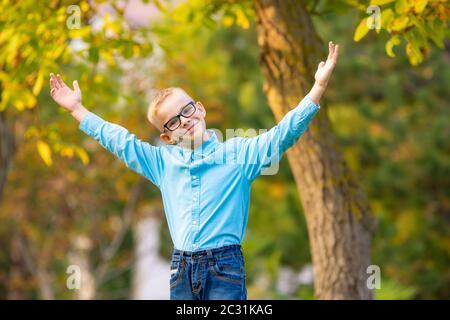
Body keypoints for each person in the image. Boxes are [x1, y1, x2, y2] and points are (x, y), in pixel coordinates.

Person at [49, 41, 340, 300]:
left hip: (225, 268)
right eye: (172, 121)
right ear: (166, 137)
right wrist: (77, 110)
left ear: (199, 108)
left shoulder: (238, 155)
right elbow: (121, 142)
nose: (184, 121)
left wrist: (317, 88)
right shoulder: (162, 164)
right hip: (181, 270)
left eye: (186, 110)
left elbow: (282, 134)